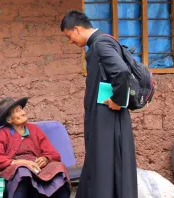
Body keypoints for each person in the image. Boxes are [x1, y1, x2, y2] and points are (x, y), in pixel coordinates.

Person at [60, 10, 138, 198]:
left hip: (108, 118)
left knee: (105, 166)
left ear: (77, 29)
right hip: (105, 119)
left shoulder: (101, 44)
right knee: (104, 165)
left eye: (69, 36)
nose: (71, 41)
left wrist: (117, 101)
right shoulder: (98, 44)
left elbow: (121, 72)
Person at [0, 97, 70, 198]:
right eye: (17, 111)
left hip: (37, 168)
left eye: (21, 109)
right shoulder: (2, 134)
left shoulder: (34, 130)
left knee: (59, 168)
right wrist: (20, 162)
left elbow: (53, 153)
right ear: (9, 119)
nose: (23, 113)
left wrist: (45, 158)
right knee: (23, 171)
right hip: (15, 171)